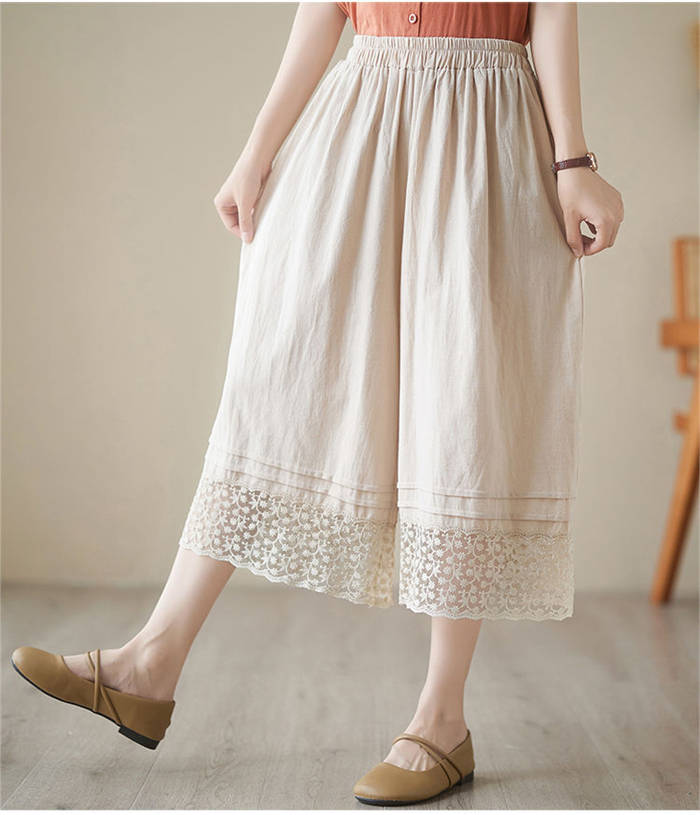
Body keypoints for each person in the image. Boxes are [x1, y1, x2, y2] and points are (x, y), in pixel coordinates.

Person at [11, 1, 623, 807]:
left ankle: (441, 720)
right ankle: (150, 661)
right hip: (358, 119)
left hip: (484, 126)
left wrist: (572, 159)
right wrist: (256, 151)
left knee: (461, 403)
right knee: (278, 382)